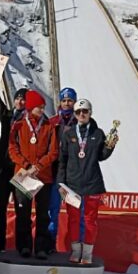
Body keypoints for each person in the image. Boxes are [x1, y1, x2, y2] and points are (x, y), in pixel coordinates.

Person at [57, 98, 118, 264]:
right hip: (72, 185)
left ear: (90, 113)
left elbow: (101, 156)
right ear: (75, 115)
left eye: (85, 111)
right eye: (78, 112)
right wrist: (61, 183)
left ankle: (88, 253)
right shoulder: (69, 134)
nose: (81, 114)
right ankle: (76, 251)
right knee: (74, 219)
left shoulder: (97, 133)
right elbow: (62, 159)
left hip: (92, 184)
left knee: (90, 220)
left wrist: (109, 147)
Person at [8, 90, 59, 258]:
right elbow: (12, 149)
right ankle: (24, 246)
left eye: (43, 107)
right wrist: (26, 165)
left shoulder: (48, 126)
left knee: (43, 214)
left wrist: (38, 166)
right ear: (30, 107)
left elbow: (53, 152)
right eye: (39, 107)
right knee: (23, 213)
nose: (42, 110)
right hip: (23, 174)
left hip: (43, 175)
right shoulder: (19, 125)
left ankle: (41, 247)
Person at [0, 60, 28, 251]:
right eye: (18, 98)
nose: (20, 102)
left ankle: (23, 246)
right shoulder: (7, 116)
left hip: (22, 170)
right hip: (4, 166)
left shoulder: (31, 122)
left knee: (23, 209)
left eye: (23, 99)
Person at [48, 87, 79, 248]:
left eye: (70, 100)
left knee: (75, 213)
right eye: (64, 100)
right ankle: (50, 244)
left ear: (74, 102)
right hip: (54, 174)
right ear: (60, 102)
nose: (67, 103)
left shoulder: (80, 124)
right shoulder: (52, 122)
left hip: (72, 176)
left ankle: (77, 248)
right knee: (52, 211)